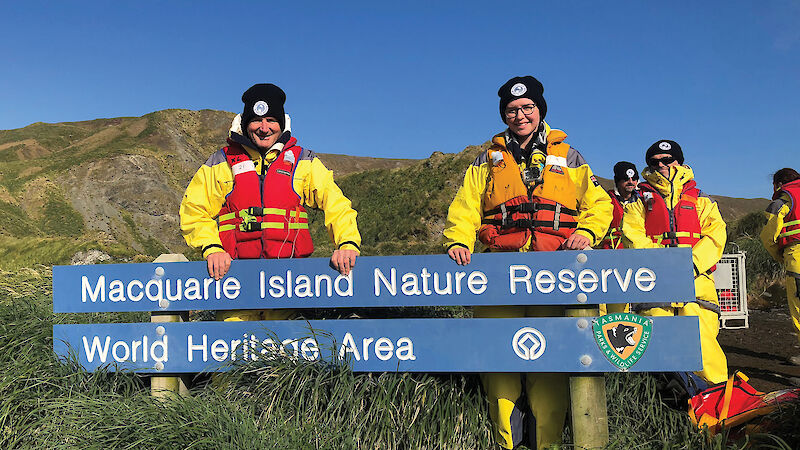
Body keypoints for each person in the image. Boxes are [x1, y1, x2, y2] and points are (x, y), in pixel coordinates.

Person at [443, 76, 612, 450]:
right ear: (504, 115)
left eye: (527, 108)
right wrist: (458, 239)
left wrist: (586, 232)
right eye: (512, 110)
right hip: (498, 275)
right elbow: (466, 205)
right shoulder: (487, 159)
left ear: (540, 110)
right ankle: (507, 443)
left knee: (549, 364)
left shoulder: (569, 157)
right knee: (497, 362)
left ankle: (546, 443)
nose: (520, 115)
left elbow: (601, 205)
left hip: (552, 275)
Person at [179, 83, 361, 322]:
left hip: (291, 293)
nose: (264, 128)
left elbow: (336, 204)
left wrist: (346, 242)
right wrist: (212, 248)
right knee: (234, 357)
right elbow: (193, 210)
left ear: (282, 124)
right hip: (235, 292)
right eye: (256, 120)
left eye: (271, 120)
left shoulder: (302, 161)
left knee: (293, 357)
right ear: (245, 123)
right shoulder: (221, 161)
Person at [621, 139, 728, 384]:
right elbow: (632, 233)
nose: (661, 165)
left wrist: (691, 264)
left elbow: (716, 234)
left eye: (667, 160)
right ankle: (667, 415)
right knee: (659, 352)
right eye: (655, 162)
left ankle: (719, 406)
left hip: (696, 284)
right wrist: (662, 263)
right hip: (655, 284)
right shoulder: (639, 199)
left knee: (705, 350)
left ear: (679, 161)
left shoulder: (701, 198)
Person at [760, 168, 800, 365]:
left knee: (799, 308)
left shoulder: (783, 200)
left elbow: (768, 236)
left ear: (778, 184)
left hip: (798, 257)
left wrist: (779, 255)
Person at [597, 161, 639, 249]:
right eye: (625, 179)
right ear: (617, 181)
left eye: (634, 179)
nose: (630, 182)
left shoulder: (643, 201)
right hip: (611, 251)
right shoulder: (606, 200)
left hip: (637, 251)